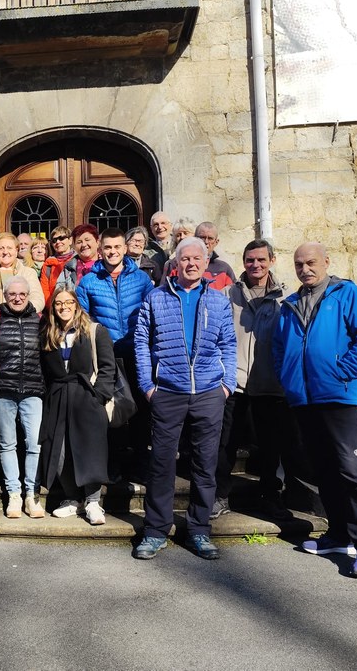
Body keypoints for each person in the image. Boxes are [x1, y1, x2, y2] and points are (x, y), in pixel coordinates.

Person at [273, 242, 357, 580]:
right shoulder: (289, 304)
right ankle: (338, 536)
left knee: (353, 471)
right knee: (324, 470)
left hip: (340, 399)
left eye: (311, 263)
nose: (305, 269)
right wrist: (288, 379)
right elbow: (279, 349)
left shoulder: (347, 293)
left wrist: (340, 372)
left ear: (326, 261)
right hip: (305, 401)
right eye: (299, 264)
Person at [133, 238, 236, 561]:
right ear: (175, 264)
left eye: (197, 259)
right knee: (162, 464)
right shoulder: (156, 298)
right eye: (185, 259)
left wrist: (227, 384)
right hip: (168, 392)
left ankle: (199, 530)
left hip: (208, 392)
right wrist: (148, 385)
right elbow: (141, 343)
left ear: (206, 263)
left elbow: (229, 344)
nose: (191, 264)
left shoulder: (218, 301)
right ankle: (155, 530)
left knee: (205, 466)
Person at [210, 240, 294, 521]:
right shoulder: (226, 295)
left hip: (271, 384)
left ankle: (271, 496)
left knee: (271, 446)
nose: (255, 265)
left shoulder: (286, 299)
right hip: (234, 382)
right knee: (225, 444)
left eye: (260, 260)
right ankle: (220, 495)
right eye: (249, 260)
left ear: (271, 260)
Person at [76, 227, 154, 479]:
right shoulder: (89, 281)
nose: (112, 252)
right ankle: (115, 464)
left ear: (125, 248)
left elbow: (151, 314)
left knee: (141, 410)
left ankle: (141, 463)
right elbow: (83, 319)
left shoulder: (140, 279)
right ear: (100, 249)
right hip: (106, 355)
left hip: (136, 351)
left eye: (117, 247)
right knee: (112, 409)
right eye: (107, 247)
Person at [39, 288, 114, 525]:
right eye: (58, 303)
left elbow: (107, 367)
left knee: (90, 450)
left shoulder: (94, 330)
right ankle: (72, 499)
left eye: (68, 302)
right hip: (58, 397)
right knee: (58, 452)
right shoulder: (48, 334)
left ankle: (92, 502)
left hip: (86, 398)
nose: (63, 307)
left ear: (77, 304)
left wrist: (99, 396)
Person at [0, 276, 46, 519]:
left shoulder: (39, 320)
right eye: (12, 294)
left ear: (28, 296)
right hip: (3, 390)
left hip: (32, 390)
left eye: (22, 294)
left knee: (34, 444)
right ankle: (14, 495)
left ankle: (31, 495)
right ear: (4, 296)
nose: (17, 298)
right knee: (7, 444)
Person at [164, 221, 236, 290]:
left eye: (210, 238)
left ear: (216, 242)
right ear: (195, 237)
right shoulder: (176, 264)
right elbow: (164, 293)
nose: (206, 242)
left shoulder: (224, 269)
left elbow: (232, 296)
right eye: (202, 237)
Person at [0, 231, 46, 313]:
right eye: (0, 248)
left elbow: (38, 299)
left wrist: (22, 313)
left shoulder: (28, 273)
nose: (5, 252)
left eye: (9, 248)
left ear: (16, 250)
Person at [54, 224, 99, 291]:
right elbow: (59, 291)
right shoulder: (68, 268)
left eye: (87, 240)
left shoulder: (107, 265)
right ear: (74, 246)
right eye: (79, 242)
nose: (83, 245)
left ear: (97, 242)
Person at [40, 225, 75, 301]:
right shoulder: (48, 265)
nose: (58, 242)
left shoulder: (78, 260)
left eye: (61, 238)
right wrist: (53, 308)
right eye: (54, 240)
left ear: (70, 240)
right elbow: (45, 291)